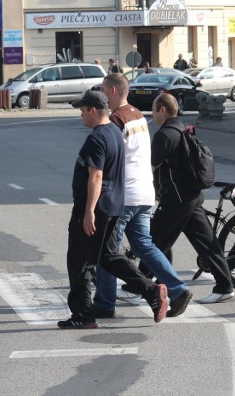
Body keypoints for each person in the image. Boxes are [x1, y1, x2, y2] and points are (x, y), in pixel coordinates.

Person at [58, 91, 168, 329]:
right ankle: (152, 291)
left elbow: (96, 176)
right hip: (114, 205)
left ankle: (83, 315)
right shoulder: (115, 133)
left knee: (79, 262)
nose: (81, 113)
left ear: (94, 110)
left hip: (96, 208)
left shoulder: (97, 137)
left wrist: (89, 212)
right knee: (108, 258)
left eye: (83, 109)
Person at [93, 74, 192, 319]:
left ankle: (104, 303)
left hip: (124, 195)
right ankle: (178, 289)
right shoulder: (138, 114)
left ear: (113, 91)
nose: (103, 96)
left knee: (108, 252)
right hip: (144, 192)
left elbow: (112, 157)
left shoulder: (116, 119)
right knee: (144, 245)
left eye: (104, 91)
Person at [150, 93, 235, 303]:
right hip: (192, 196)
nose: (152, 114)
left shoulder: (164, 135)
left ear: (162, 110)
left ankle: (137, 285)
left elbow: (150, 167)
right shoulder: (183, 128)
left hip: (176, 200)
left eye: (153, 110)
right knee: (208, 245)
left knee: (152, 243)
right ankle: (225, 286)